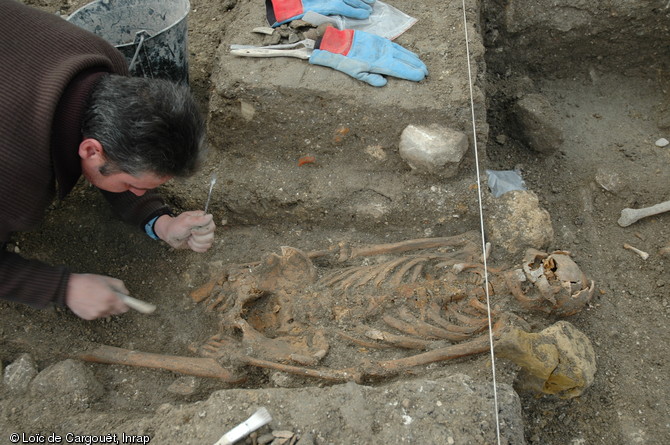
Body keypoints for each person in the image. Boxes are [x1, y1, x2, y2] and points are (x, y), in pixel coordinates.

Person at [0, 0, 215, 320]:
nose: (136, 192)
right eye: (132, 184)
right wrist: (63, 288)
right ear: (90, 150)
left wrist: (161, 222)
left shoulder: (103, 58)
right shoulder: (14, 174)